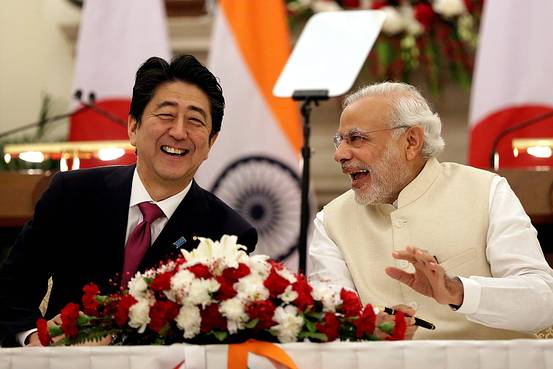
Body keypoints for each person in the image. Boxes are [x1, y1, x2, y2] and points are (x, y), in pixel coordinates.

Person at [0, 55, 258, 346]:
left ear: (211, 142)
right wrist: (35, 339)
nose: (178, 132)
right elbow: (11, 291)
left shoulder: (229, 234)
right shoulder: (72, 194)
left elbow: (217, 337)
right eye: (166, 115)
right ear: (133, 128)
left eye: (195, 121)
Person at [308, 82, 553, 339]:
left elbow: (543, 299)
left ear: (411, 141)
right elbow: (327, 317)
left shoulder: (486, 191)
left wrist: (458, 291)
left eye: (356, 139)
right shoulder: (331, 220)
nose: (340, 155)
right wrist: (365, 328)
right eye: (339, 141)